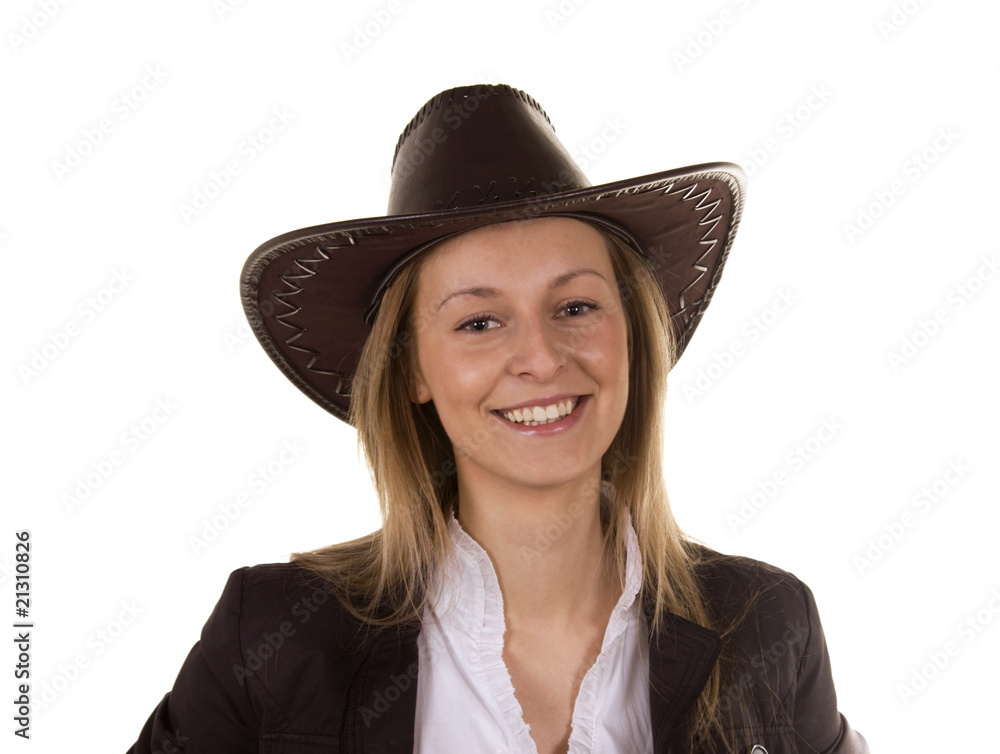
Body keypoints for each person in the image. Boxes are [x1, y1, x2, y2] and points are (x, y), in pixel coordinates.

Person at [129, 84, 868, 753]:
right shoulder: (272, 637)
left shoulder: (770, 626)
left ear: (633, 338)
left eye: (575, 307)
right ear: (412, 368)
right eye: (480, 322)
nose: (541, 358)